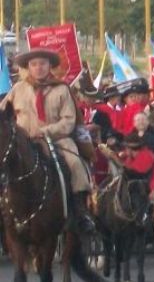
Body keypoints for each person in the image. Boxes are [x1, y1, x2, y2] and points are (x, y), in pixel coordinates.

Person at [0, 48, 95, 231]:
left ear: (49, 66)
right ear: (28, 67)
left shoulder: (61, 89)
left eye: (42, 64)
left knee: (75, 163)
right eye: (34, 64)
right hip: (22, 141)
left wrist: (45, 131)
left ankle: (80, 211)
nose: (38, 68)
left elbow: (69, 121)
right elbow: (3, 113)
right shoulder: (18, 88)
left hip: (57, 140)